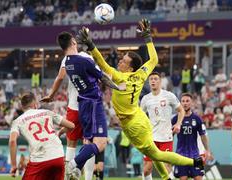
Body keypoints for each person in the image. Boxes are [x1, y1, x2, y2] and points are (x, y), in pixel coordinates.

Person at [76, 18, 204, 180]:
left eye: (123, 61)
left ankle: (194, 162)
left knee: (156, 154)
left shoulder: (119, 77)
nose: (120, 62)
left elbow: (102, 63)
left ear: (129, 67)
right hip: (139, 117)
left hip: (133, 124)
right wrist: (147, 37)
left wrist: (92, 45)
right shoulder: (141, 74)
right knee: (153, 154)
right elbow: (154, 60)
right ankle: (167, 178)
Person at [56, 31, 126, 180]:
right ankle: (73, 164)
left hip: (83, 104)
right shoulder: (84, 61)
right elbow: (103, 78)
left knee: (88, 141)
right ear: (74, 42)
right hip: (93, 104)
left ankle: (76, 168)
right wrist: (117, 87)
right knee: (100, 143)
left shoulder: (67, 63)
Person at [41, 50, 97, 180]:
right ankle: (87, 178)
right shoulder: (90, 59)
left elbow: (60, 77)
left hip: (74, 106)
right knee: (89, 143)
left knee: (71, 142)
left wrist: (51, 95)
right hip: (89, 105)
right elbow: (99, 79)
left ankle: (67, 176)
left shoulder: (68, 59)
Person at [9, 92, 75, 180]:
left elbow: (12, 141)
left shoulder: (18, 121)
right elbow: (71, 126)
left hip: (40, 159)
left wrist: (14, 166)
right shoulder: (47, 112)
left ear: (22, 107)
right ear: (35, 104)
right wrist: (60, 132)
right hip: (58, 156)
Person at [140, 72, 185, 180]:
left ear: (160, 81)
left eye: (155, 79)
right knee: (147, 169)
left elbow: (181, 110)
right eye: (151, 79)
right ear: (149, 82)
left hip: (166, 137)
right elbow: (141, 116)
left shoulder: (169, 95)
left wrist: (178, 124)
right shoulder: (146, 99)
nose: (153, 81)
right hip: (151, 138)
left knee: (166, 167)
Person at [172, 93, 213, 180]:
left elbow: (203, 136)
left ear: (191, 103)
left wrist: (207, 150)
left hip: (195, 155)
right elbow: (169, 135)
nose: (185, 103)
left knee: (199, 178)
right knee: (183, 178)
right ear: (180, 103)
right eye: (183, 101)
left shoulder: (197, 119)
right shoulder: (176, 119)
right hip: (181, 155)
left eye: (187, 101)